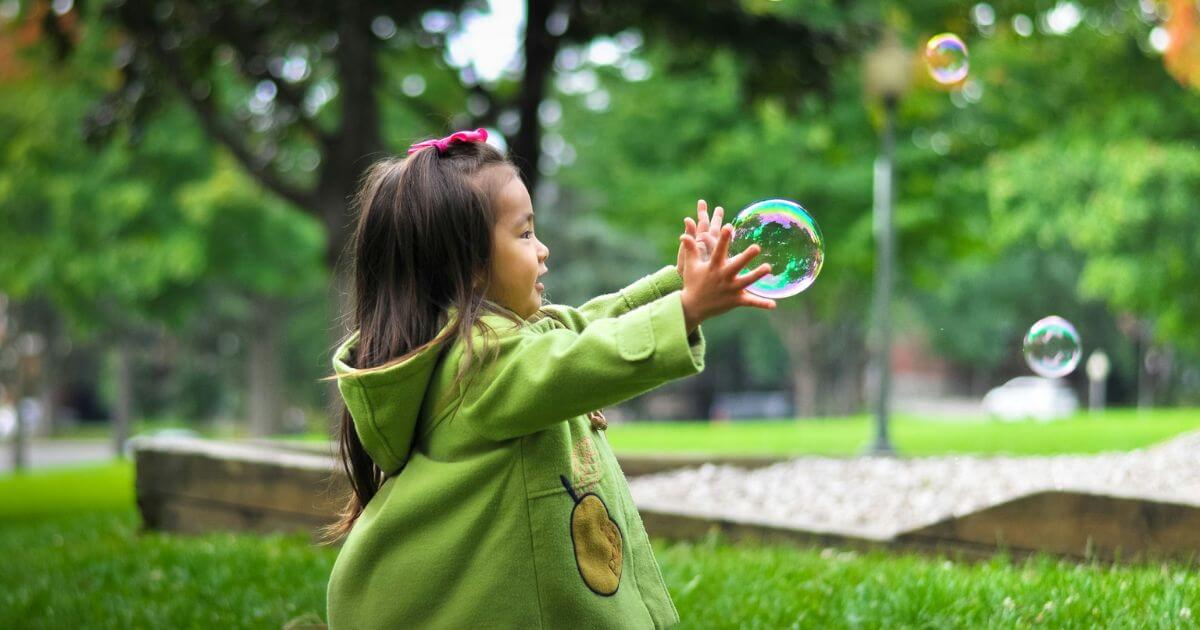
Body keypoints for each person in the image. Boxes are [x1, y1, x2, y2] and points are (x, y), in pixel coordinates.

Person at [322, 128, 774, 629]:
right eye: (524, 233)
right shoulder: (478, 366)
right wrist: (686, 309)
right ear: (469, 267)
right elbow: (579, 358)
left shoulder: (495, 344)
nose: (543, 250)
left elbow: (585, 325)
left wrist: (677, 286)